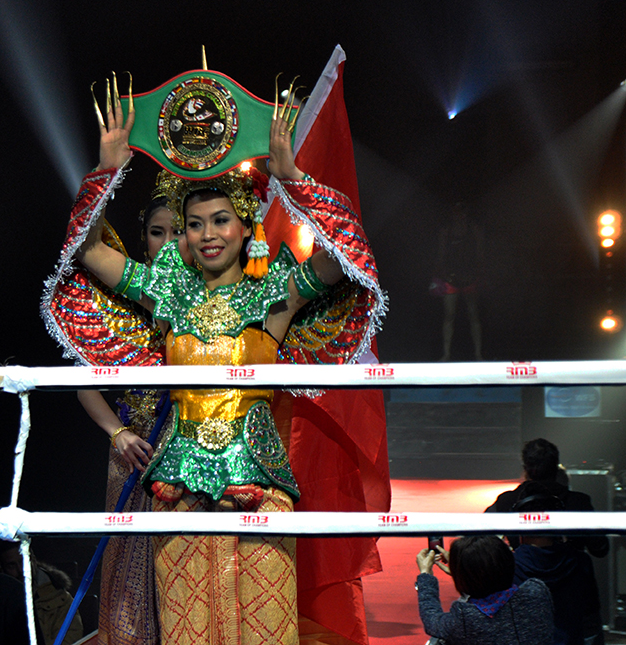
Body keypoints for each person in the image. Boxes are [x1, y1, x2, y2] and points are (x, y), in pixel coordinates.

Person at [45, 75, 384, 644]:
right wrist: (106, 170)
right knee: (187, 633)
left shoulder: (273, 292)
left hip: (260, 481)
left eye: (220, 220)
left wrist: (293, 180)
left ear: (246, 225)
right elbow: (89, 252)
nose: (207, 234)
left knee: (265, 631)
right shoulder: (166, 294)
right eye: (195, 224)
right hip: (176, 488)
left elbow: (346, 257)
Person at [75, 189, 190, 645]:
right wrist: (118, 432)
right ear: (143, 240)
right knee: (126, 567)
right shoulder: (126, 294)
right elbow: (85, 385)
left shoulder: (213, 295)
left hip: (190, 449)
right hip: (133, 451)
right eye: (156, 233)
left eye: (178, 231)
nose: (167, 242)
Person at [415, 536, 554, 645]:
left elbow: (432, 619)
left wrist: (426, 575)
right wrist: (463, 572)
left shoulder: (465, 618)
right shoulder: (537, 591)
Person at [486, 439, 609, 558]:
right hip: (568, 575)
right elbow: (600, 549)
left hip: (521, 576)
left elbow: (479, 538)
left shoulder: (505, 501)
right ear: (556, 468)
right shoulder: (580, 502)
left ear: (525, 468)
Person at [0, 544, 83, 645]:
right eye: (11, 566)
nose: (20, 570)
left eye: (23, 561)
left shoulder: (60, 599)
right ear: (3, 569)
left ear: (33, 560)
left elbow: (70, 639)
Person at [431, 201, 484, 361]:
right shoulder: (446, 231)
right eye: (456, 212)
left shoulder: (474, 229)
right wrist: (437, 276)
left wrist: (481, 274)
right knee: (449, 315)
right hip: (450, 277)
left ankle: (478, 354)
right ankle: (446, 354)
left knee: (473, 314)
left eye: (461, 212)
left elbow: (480, 253)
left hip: (470, 276)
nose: (459, 215)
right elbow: (440, 255)